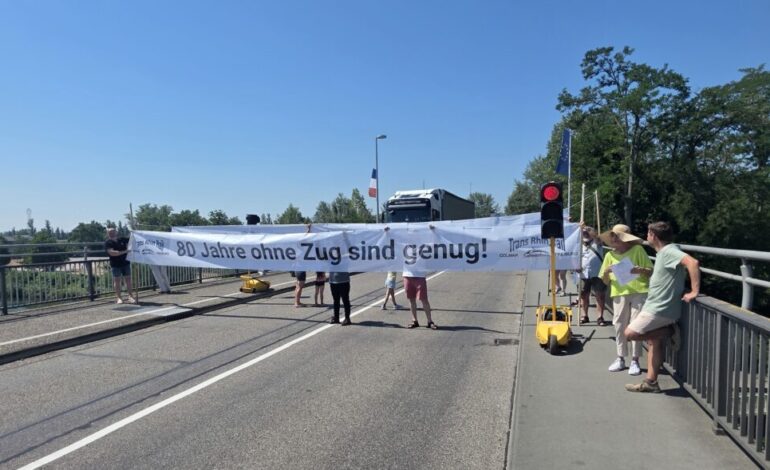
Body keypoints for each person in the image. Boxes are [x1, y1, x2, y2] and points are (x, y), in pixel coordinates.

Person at [624, 221, 700, 393]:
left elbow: (693, 263)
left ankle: (670, 332)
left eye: (648, 234)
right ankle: (651, 382)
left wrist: (694, 291)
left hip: (660, 308)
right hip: (657, 305)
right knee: (653, 342)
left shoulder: (669, 251)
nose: (646, 237)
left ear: (654, 236)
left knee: (630, 334)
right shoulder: (663, 253)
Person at [598, 224, 653, 375]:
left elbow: (650, 271)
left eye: (617, 236)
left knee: (636, 326)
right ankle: (620, 357)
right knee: (619, 324)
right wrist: (607, 272)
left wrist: (639, 270)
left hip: (639, 291)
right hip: (619, 292)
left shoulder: (638, 250)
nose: (614, 239)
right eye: (613, 236)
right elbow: (604, 281)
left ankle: (635, 360)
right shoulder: (609, 255)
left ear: (625, 239)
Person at [576, 226, 607, 325]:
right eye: (583, 232)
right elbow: (573, 257)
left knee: (600, 295)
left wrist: (589, 229)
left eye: (588, 231)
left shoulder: (597, 242)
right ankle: (585, 315)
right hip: (583, 273)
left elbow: (598, 236)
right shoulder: (577, 243)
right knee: (584, 295)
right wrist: (575, 266)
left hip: (598, 273)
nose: (585, 232)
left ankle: (600, 317)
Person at [105, 227, 136, 304]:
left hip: (125, 263)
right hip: (115, 264)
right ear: (108, 234)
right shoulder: (108, 243)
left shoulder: (122, 239)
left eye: (113, 231)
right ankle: (119, 298)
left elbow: (133, 239)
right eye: (110, 232)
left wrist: (134, 230)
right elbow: (112, 253)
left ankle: (130, 296)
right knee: (117, 281)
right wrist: (125, 251)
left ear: (116, 232)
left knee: (128, 280)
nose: (112, 233)